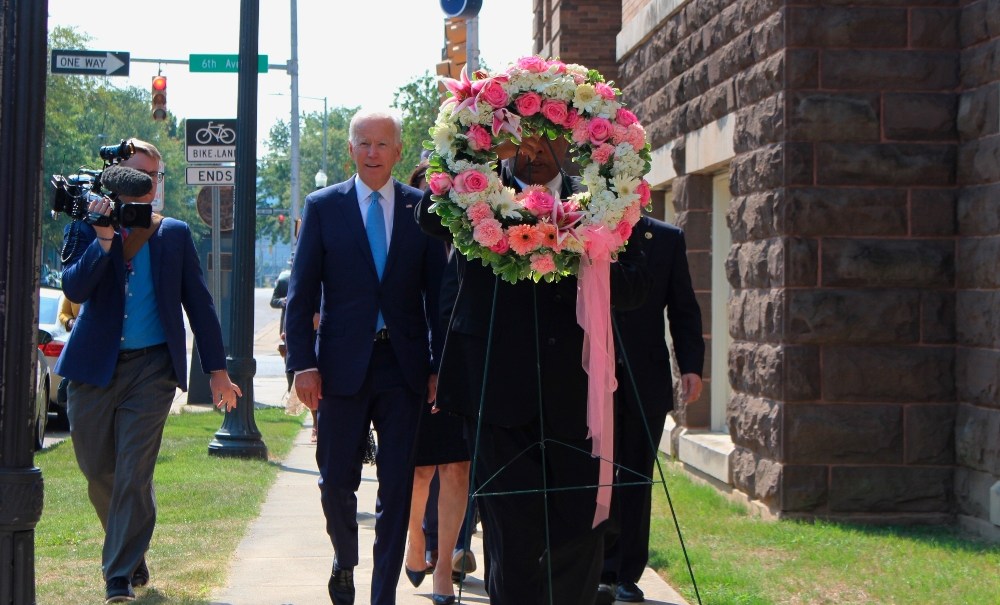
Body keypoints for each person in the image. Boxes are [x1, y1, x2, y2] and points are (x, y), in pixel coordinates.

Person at [417, 134, 649, 605]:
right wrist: (476, 151)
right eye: (524, 140)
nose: (537, 151)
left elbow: (633, 288)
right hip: (497, 400)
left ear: (572, 142)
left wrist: (572, 255)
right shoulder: (475, 195)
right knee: (513, 542)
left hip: (579, 402)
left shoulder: (601, 203)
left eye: (550, 139)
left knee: (580, 535)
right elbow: (427, 214)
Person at [54, 138, 241, 604]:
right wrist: (103, 238)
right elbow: (74, 286)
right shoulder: (88, 219)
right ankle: (131, 551)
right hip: (93, 368)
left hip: (152, 370)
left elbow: (199, 303)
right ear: (115, 178)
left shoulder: (172, 233)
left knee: (134, 470)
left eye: (153, 178)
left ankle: (117, 575)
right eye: (137, 176)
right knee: (98, 471)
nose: (146, 186)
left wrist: (217, 370)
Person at [284, 108, 446, 605]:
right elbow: (301, 294)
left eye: (382, 144)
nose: (372, 153)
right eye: (363, 143)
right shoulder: (323, 206)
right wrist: (302, 366)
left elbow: (439, 295)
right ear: (351, 149)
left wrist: (439, 366)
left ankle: (382, 596)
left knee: (397, 489)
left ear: (399, 151)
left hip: (403, 368)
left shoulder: (424, 209)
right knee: (336, 483)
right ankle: (345, 558)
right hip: (338, 369)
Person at [597, 215, 705, 605]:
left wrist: (690, 365)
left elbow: (683, 307)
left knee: (636, 475)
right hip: (592, 378)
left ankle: (627, 573)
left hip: (646, 378)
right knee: (598, 473)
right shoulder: (585, 229)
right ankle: (599, 568)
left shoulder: (665, 238)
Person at [402, 161, 472, 605]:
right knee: (420, 469)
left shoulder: (475, 235)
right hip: (414, 366)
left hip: (463, 366)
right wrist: (427, 366)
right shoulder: (411, 236)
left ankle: (444, 565)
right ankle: (414, 537)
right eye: (430, 190)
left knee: (457, 468)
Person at [271, 259, 319, 442]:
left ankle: (317, 424)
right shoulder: (285, 281)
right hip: (294, 333)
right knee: (293, 375)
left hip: (321, 334)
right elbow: (277, 302)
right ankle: (315, 421)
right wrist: (282, 302)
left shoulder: (324, 280)